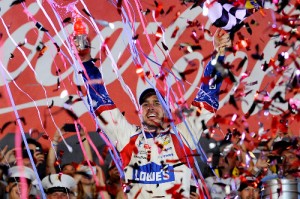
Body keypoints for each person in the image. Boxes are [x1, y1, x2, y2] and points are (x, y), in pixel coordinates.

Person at [75, 24, 232, 198]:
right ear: (140, 111)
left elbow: (207, 98)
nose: (151, 107)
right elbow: (100, 99)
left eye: (157, 103)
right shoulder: (126, 136)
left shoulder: (182, 136)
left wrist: (219, 54)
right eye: (145, 104)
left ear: (166, 110)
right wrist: (86, 59)